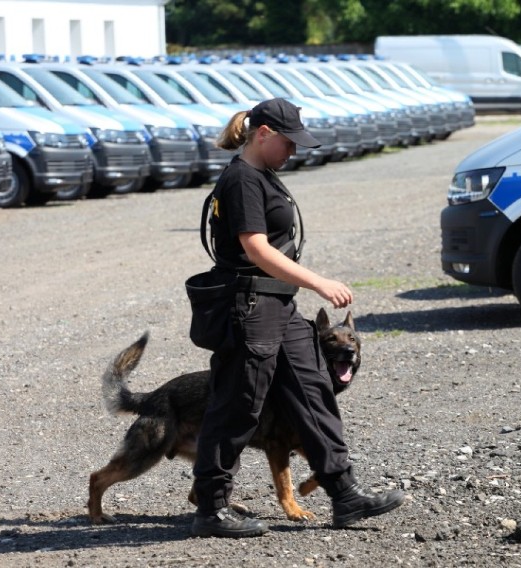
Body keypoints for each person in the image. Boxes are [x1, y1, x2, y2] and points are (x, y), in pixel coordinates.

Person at [191, 98, 405, 539]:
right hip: (250, 309)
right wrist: (318, 283)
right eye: (289, 143)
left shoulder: (264, 175)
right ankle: (211, 509)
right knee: (238, 407)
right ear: (264, 134)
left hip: (280, 307)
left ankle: (345, 494)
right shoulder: (242, 180)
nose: (294, 151)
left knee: (314, 393)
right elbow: (256, 249)